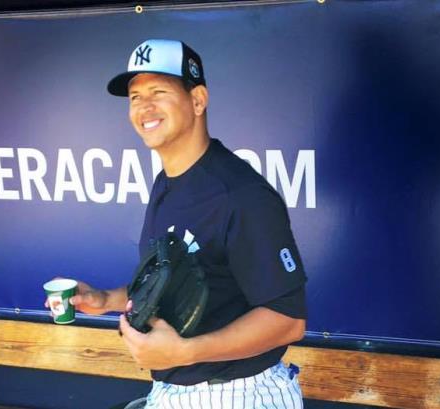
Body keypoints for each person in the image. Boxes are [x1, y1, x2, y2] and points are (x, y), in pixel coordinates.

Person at [58, 39, 308, 408]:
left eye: (158, 91)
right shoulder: (167, 183)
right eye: (135, 96)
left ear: (198, 100)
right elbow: (167, 278)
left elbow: (288, 320)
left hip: (239, 392)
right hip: (178, 391)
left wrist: (185, 352)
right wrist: (106, 299)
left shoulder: (240, 194)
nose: (144, 107)